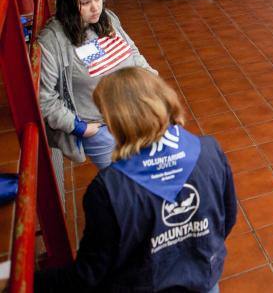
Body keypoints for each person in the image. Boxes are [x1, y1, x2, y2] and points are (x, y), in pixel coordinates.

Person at [35, 67, 237, 292]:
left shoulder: (108, 189)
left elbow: (88, 275)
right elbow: (227, 219)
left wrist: (25, 281)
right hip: (203, 281)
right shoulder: (210, 151)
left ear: (115, 122)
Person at [37, 0, 156, 169]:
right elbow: (45, 97)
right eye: (85, 3)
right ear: (69, 5)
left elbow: (132, 51)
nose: (96, 8)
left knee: (149, 169)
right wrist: (79, 128)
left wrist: (150, 77)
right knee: (122, 183)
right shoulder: (53, 41)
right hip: (100, 128)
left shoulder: (107, 19)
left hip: (136, 112)